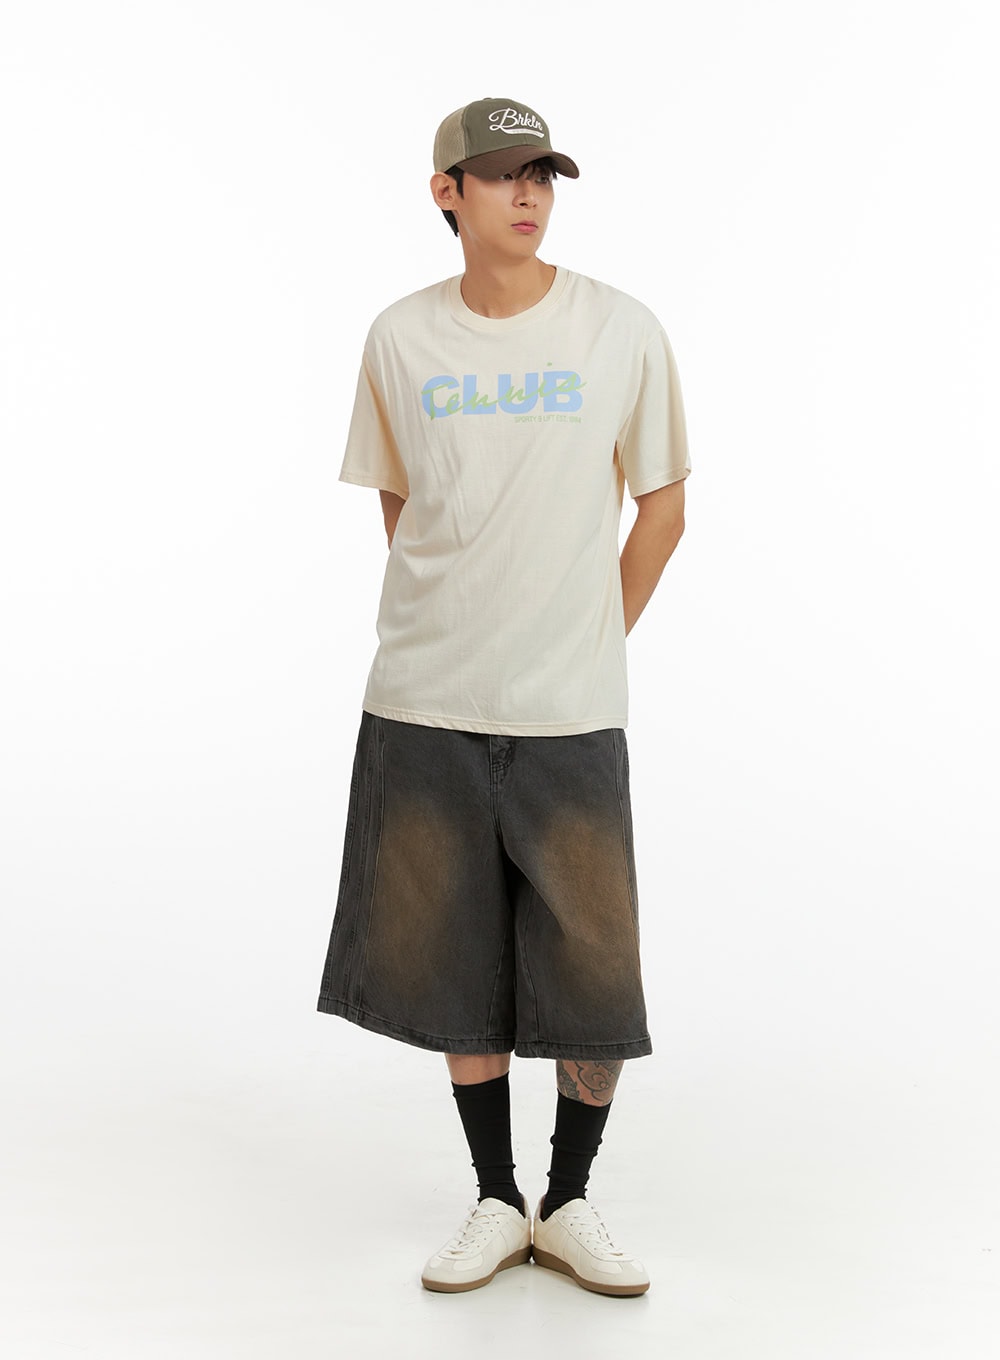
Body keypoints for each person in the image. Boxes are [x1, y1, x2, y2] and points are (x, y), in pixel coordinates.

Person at [316, 96, 690, 1297]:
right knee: (454, 961)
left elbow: (663, 508)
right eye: (502, 174)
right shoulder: (399, 337)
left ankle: (568, 1200)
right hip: (425, 700)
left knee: (594, 971)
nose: (528, 194)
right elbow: (402, 504)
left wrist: (585, 633)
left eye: (544, 175)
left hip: (569, 709)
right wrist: (463, 617)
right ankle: (494, 1196)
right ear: (448, 193)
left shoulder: (619, 329)